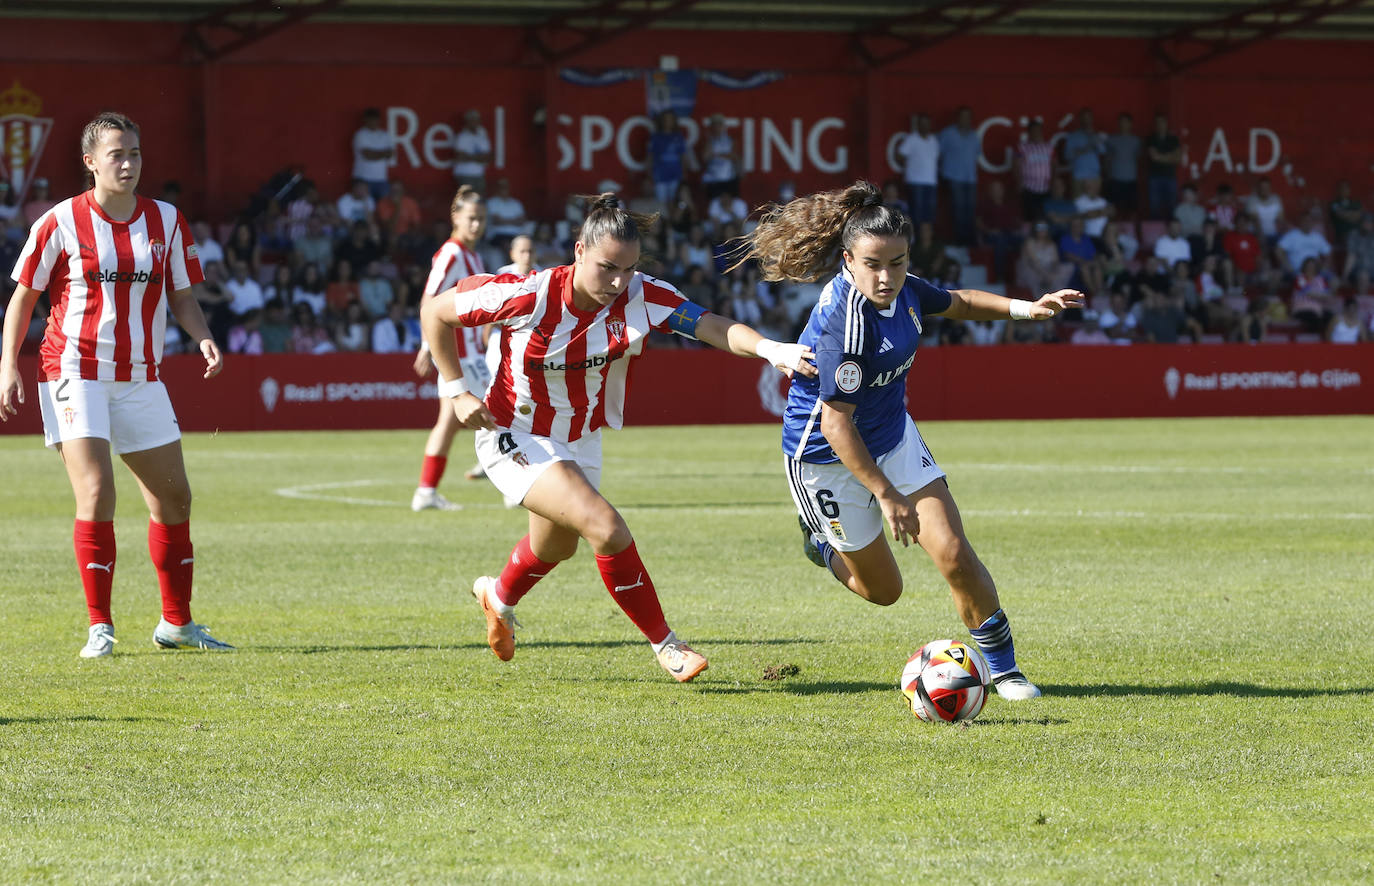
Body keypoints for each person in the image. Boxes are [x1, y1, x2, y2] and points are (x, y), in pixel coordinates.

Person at [420, 192, 815, 681]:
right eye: (607, 267)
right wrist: (456, 389)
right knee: (606, 528)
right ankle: (667, 644)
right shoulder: (529, 293)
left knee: (556, 548)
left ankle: (496, 597)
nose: (617, 282)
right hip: (514, 432)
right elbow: (436, 311)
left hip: (581, 438)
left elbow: (710, 324)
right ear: (579, 251)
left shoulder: (639, 295)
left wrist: (770, 348)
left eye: (627, 270)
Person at [732, 181, 1080, 699]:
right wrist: (886, 494)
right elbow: (835, 425)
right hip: (825, 460)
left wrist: (1028, 309)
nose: (886, 275)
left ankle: (1003, 670)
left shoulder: (903, 288)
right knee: (884, 591)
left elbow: (957, 301)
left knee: (955, 554)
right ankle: (820, 544)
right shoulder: (846, 325)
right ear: (848, 260)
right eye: (873, 264)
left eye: (897, 262)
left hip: (893, 436)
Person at [0, 111, 233, 658]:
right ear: (90, 163)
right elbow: (24, 297)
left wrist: (201, 335)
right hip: (72, 370)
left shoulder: (168, 220)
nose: (128, 164)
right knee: (97, 492)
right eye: (116, 155)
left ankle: (176, 624)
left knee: (174, 498)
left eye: (134, 154)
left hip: (141, 377)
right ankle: (99, 627)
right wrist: (8, 363)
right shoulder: (59, 221)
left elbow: (181, 294)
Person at [411, 186, 489, 510]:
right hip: (457, 354)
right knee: (497, 410)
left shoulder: (473, 255)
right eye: (471, 218)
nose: (476, 225)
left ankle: (428, 491)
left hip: (473, 354)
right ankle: (508, 478)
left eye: (481, 219)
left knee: (459, 418)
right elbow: (429, 299)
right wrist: (427, 345)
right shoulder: (452, 253)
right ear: (455, 217)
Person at [937, 106, 979, 245]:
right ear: (957, 118)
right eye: (963, 116)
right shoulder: (947, 134)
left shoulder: (974, 135)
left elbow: (977, 155)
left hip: (970, 178)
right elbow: (937, 154)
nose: (965, 119)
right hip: (953, 176)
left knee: (970, 209)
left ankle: (969, 240)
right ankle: (959, 241)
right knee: (958, 209)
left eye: (968, 117)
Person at [896, 112, 939, 225]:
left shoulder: (933, 140)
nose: (925, 126)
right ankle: (916, 239)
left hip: (931, 182)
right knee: (916, 212)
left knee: (929, 213)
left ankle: (926, 240)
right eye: (922, 124)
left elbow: (936, 158)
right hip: (915, 181)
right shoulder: (911, 139)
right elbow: (900, 155)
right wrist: (911, 167)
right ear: (918, 125)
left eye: (927, 124)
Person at [646, 111, 689, 209]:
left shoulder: (678, 137)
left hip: (675, 174)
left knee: (675, 202)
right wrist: (649, 174)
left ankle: (672, 222)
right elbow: (650, 157)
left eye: (670, 119)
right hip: (659, 176)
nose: (668, 122)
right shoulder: (655, 137)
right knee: (661, 204)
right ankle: (663, 223)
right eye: (665, 119)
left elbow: (683, 156)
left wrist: (684, 173)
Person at [1103, 112, 1140, 217]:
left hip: (1131, 180)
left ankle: (1131, 231)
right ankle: (1113, 231)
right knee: (1113, 209)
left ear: (1130, 124)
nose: (1123, 124)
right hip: (1115, 179)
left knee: (1132, 210)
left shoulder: (1136, 141)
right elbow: (1107, 159)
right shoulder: (1111, 139)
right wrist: (1107, 175)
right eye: (1121, 122)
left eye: (1125, 122)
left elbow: (1137, 159)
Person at [351, 108, 395, 200]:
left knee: (384, 207)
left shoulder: (385, 135)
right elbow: (368, 155)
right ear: (365, 120)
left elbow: (391, 154)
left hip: (381, 179)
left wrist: (375, 153)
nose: (373, 122)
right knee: (366, 207)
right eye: (370, 119)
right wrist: (383, 153)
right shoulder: (360, 134)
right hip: (363, 178)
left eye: (375, 119)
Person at [1145, 112, 1182, 220]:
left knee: (1172, 206)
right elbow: (1154, 157)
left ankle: (1171, 232)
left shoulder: (1173, 139)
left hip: (1170, 177)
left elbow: (1178, 158)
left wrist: (1161, 157)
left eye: (1163, 122)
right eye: (1158, 123)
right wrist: (1170, 156)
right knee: (1154, 207)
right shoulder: (1151, 138)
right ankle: (1155, 231)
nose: (1160, 125)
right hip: (1154, 177)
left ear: (1166, 124)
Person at [1016, 118, 1054, 222]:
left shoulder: (1049, 147)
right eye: (1033, 131)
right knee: (1030, 217)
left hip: (1046, 188)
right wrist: (1019, 183)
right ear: (1029, 133)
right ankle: (1032, 238)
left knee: (1046, 217)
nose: (1036, 133)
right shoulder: (1022, 147)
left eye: (1038, 130)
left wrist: (1053, 183)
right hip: (1029, 188)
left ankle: (1044, 238)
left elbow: (1054, 164)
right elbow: (1016, 165)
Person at [452, 109, 492, 194]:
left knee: (479, 204)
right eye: (471, 120)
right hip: (464, 174)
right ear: (467, 122)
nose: (474, 122)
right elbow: (460, 157)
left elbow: (487, 157)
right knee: (467, 204)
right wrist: (479, 158)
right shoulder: (462, 137)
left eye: (476, 120)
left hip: (479, 174)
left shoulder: (482, 135)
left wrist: (469, 157)